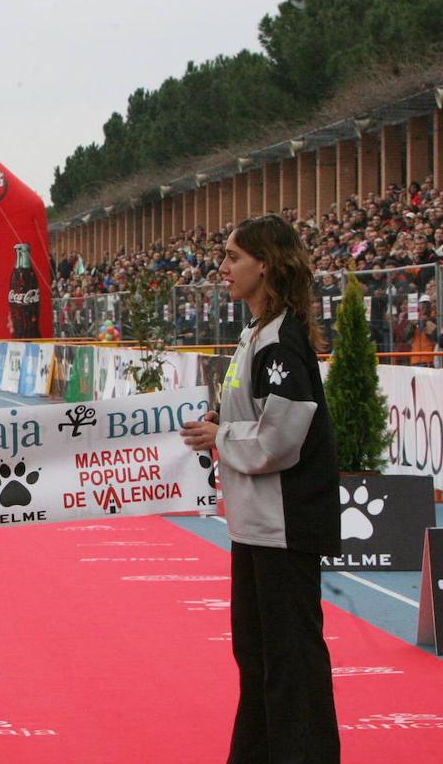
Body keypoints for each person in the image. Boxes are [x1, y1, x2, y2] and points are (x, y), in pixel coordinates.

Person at [181, 214, 341, 764]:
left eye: (233, 257)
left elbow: (282, 438)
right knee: (257, 656)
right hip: (254, 524)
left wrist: (220, 433)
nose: (221, 268)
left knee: (289, 661)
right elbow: (248, 417)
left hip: (285, 525)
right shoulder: (254, 333)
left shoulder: (281, 341)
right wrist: (215, 423)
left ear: (265, 264)